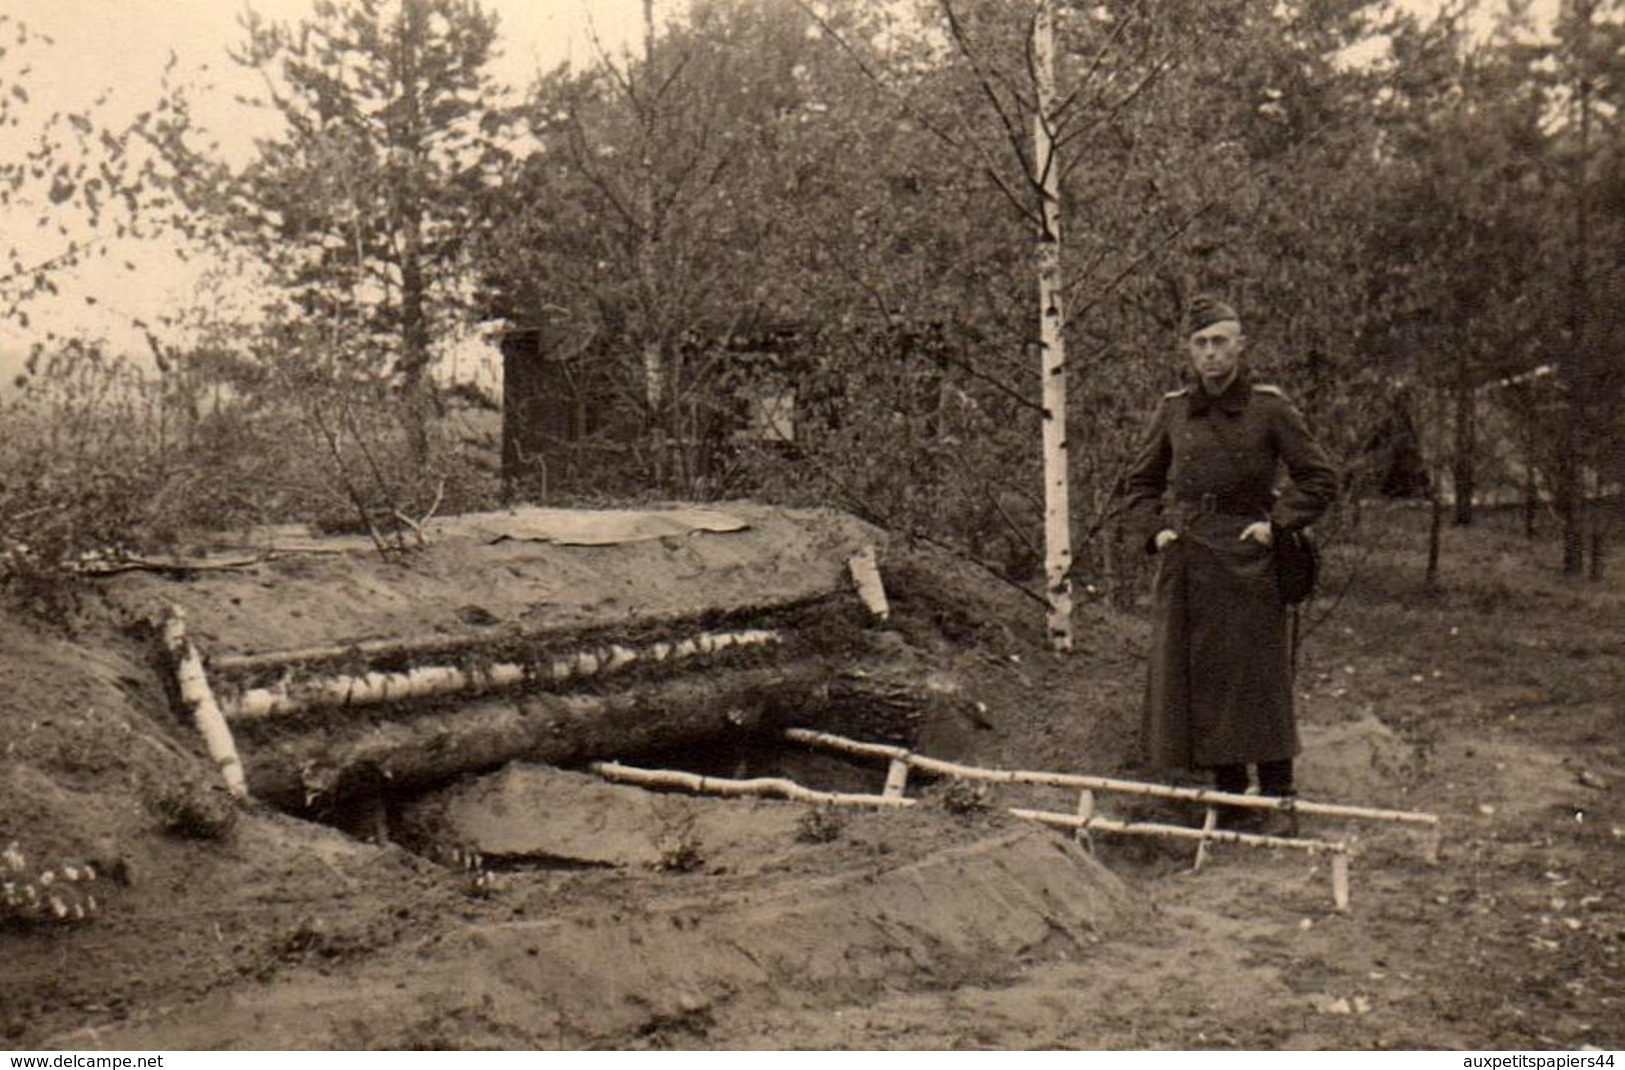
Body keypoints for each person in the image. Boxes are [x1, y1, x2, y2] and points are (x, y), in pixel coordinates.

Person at [1120, 294, 1338, 830]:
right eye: (1201, 343)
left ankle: (1279, 793)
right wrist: (1159, 532)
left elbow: (1319, 478)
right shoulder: (1173, 408)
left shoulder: (1270, 407)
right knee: (1206, 677)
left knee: (1258, 677)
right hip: (1191, 559)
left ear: (1240, 346)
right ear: (1189, 352)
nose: (1211, 354)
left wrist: (1277, 525)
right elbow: (1139, 485)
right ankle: (1231, 796)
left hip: (1249, 560)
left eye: (1221, 341)